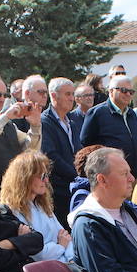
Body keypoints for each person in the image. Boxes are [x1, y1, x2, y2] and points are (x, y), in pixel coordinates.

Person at [1, 151, 74, 263]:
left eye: (47, 175)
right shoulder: (12, 211)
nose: (46, 180)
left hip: (67, 265)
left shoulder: (41, 204)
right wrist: (60, 247)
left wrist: (71, 259)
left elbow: (66, 237)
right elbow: (39, 254)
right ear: (25, 178)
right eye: (42, 176)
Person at [41, 77, 85, 216]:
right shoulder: (44, 122)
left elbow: (78, 150)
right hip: (58, 190)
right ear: (54, 95)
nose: (72, 98)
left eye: (72, 94)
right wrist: (76, 175)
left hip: (74, 185)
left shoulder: (71, 121)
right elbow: (51, 156)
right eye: (67, 94)